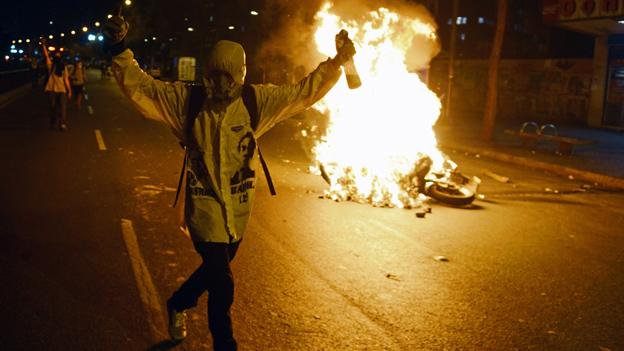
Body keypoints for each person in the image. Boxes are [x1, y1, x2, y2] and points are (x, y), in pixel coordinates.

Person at [104, 14, 355, 351]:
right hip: (204, 212)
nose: (220, 85)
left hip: (238, 214)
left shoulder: (256, 103)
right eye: (214, 76)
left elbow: (302, 92)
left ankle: (179, 302)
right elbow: (140, 86)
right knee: (222, 280)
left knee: (213, 272)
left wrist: (337, 62)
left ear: (240, 76)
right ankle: (225, 344)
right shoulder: (187, 103)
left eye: (228, 76)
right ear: (206, 75)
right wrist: (119, 47)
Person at [41, 41, 72, 131]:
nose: (57, 57)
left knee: (63, 108)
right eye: (56, 56)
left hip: (62, 90)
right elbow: (46, 56)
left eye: (59, 56)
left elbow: (66, 79)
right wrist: (44, 46)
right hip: (52, 90)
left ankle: (62, 124)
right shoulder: (51, 66)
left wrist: (69, 90)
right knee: (53, 108)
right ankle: (53, 123)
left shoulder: (63, 67)